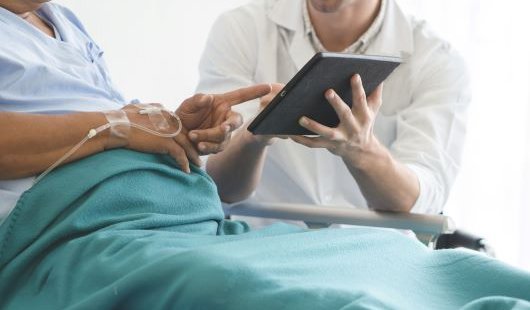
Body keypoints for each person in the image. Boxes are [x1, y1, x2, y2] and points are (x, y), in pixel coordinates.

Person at [1, 2, 530, 309]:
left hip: (188, 217)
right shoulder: (243, 28)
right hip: (109, 225)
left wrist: (169, 128)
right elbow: (109, 130)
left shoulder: (62, 21)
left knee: (424, 265)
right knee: (309, 294)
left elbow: (421, 198)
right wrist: (247, 133)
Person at [0, 0, 270, 224]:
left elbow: (102, 115)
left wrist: (174, 131)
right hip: (86, 227)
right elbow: (114, 126)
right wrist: (119, 127)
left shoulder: (61, 19)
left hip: (169, 214)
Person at [197, 0, 471, 216]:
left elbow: (418, 198)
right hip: (265, 248)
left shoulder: (438, 60)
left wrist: (363, 152)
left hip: (375, 257)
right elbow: (219, 186)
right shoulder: (241, 29)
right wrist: (253, 135)